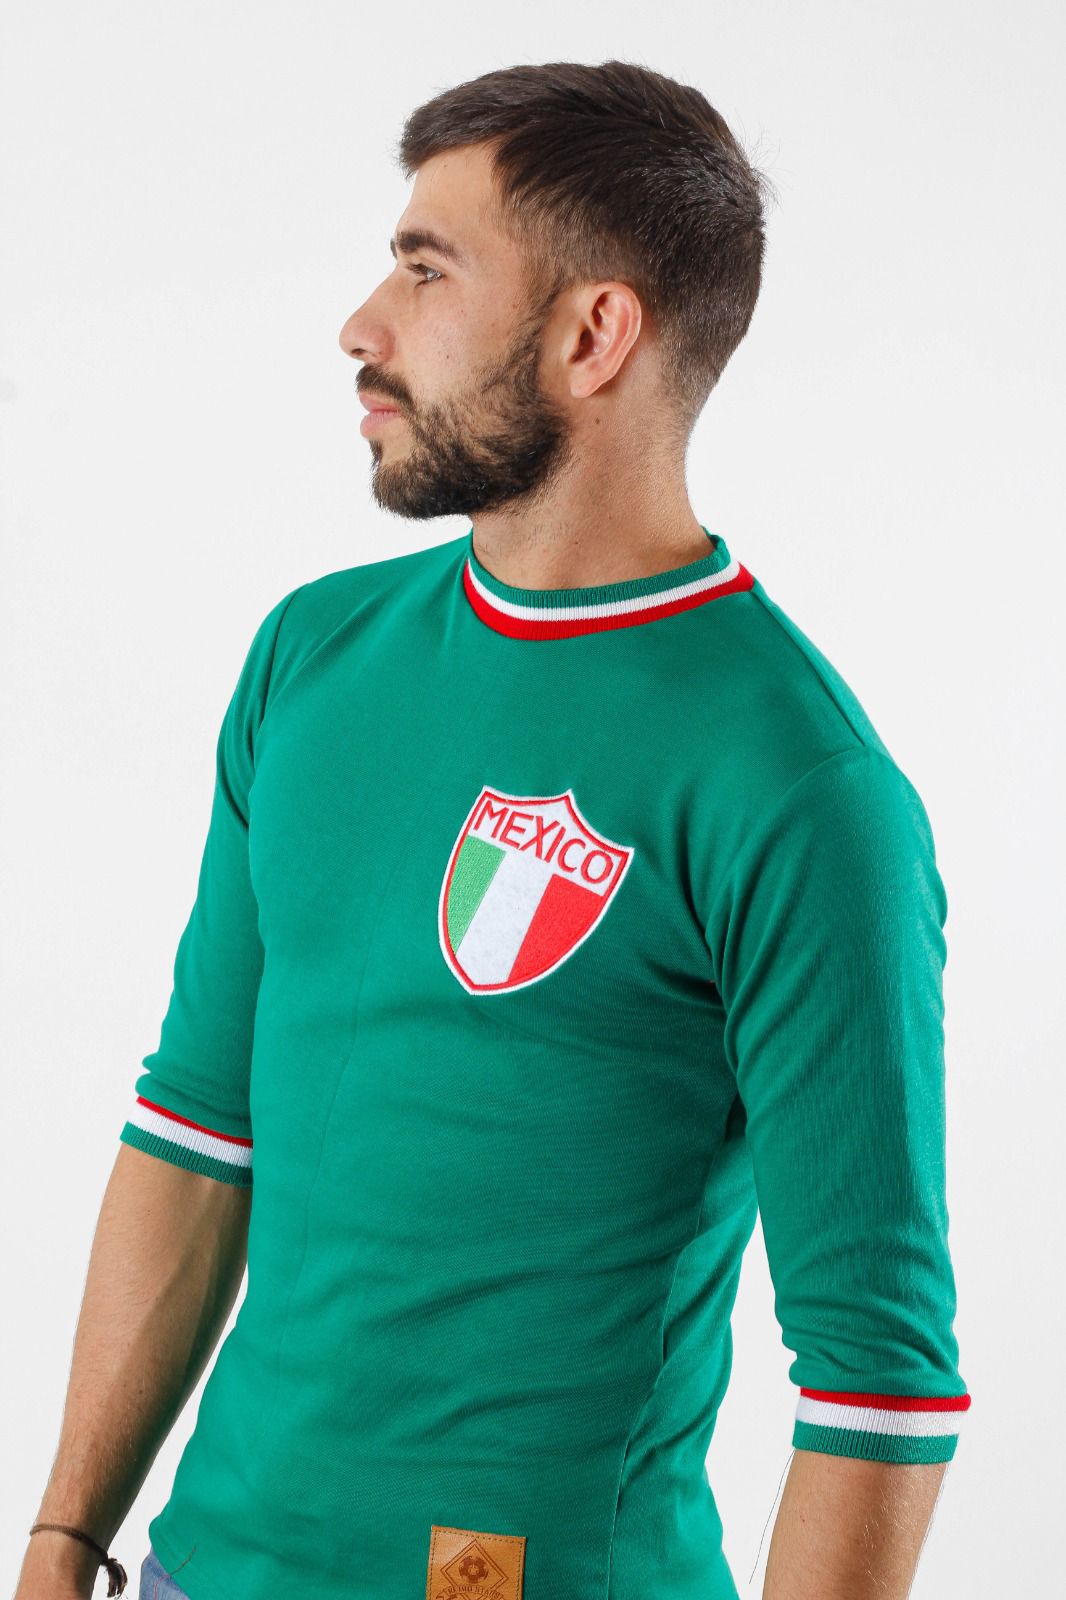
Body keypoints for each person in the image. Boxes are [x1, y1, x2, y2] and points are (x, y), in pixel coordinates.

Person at [18, 59, 969, 1600]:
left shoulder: (800, 789)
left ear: (593, 335)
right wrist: (65, 1536)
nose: (361, 326)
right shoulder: (312, 656)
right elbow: (195, 1131)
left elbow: (875, 1378)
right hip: (205, 1569)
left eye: (425, 270)